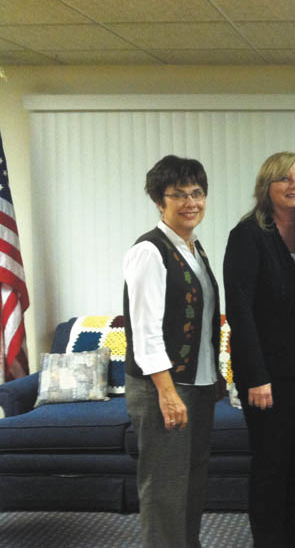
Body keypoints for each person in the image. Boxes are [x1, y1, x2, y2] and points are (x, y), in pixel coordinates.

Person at [223, 152, 295, 547]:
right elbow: (240, 311)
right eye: (283, 179)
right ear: (267, 187)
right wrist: (256, 376)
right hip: (270, 378)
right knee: (271, 469)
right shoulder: (249, 235)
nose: (293, 185)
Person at [123, 155, 220, 548]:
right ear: (159, 201)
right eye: (177, 195)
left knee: (192, 482)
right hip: (164, 388)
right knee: (164, 489)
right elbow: (145, 331)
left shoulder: (193, 250)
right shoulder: (150, 251)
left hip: (196, 387)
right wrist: (167, 393)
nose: (190, 202)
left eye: (196, 192)